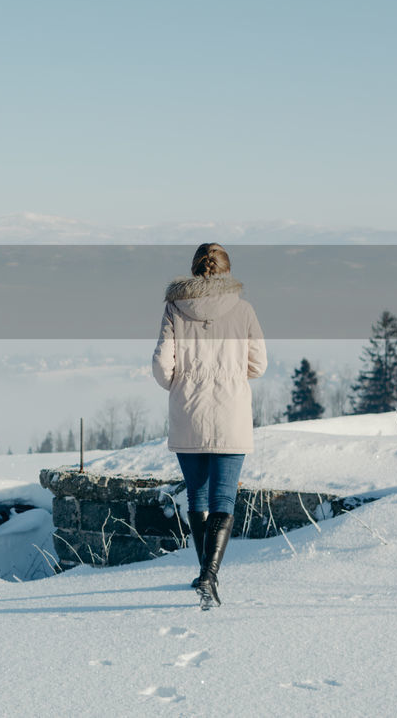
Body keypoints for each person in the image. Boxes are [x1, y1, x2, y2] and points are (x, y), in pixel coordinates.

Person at [151, 243, 267, 607]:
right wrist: (233, 378)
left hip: (188, 411)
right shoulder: (243, 310)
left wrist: (180, 383)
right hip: (231, 412)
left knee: (198, 497)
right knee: (223, 498)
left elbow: (161, 364)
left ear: (194, 269)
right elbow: (259, 364)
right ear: (227, 272)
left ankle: (204, 573)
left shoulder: (175, 308)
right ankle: (209, 576)